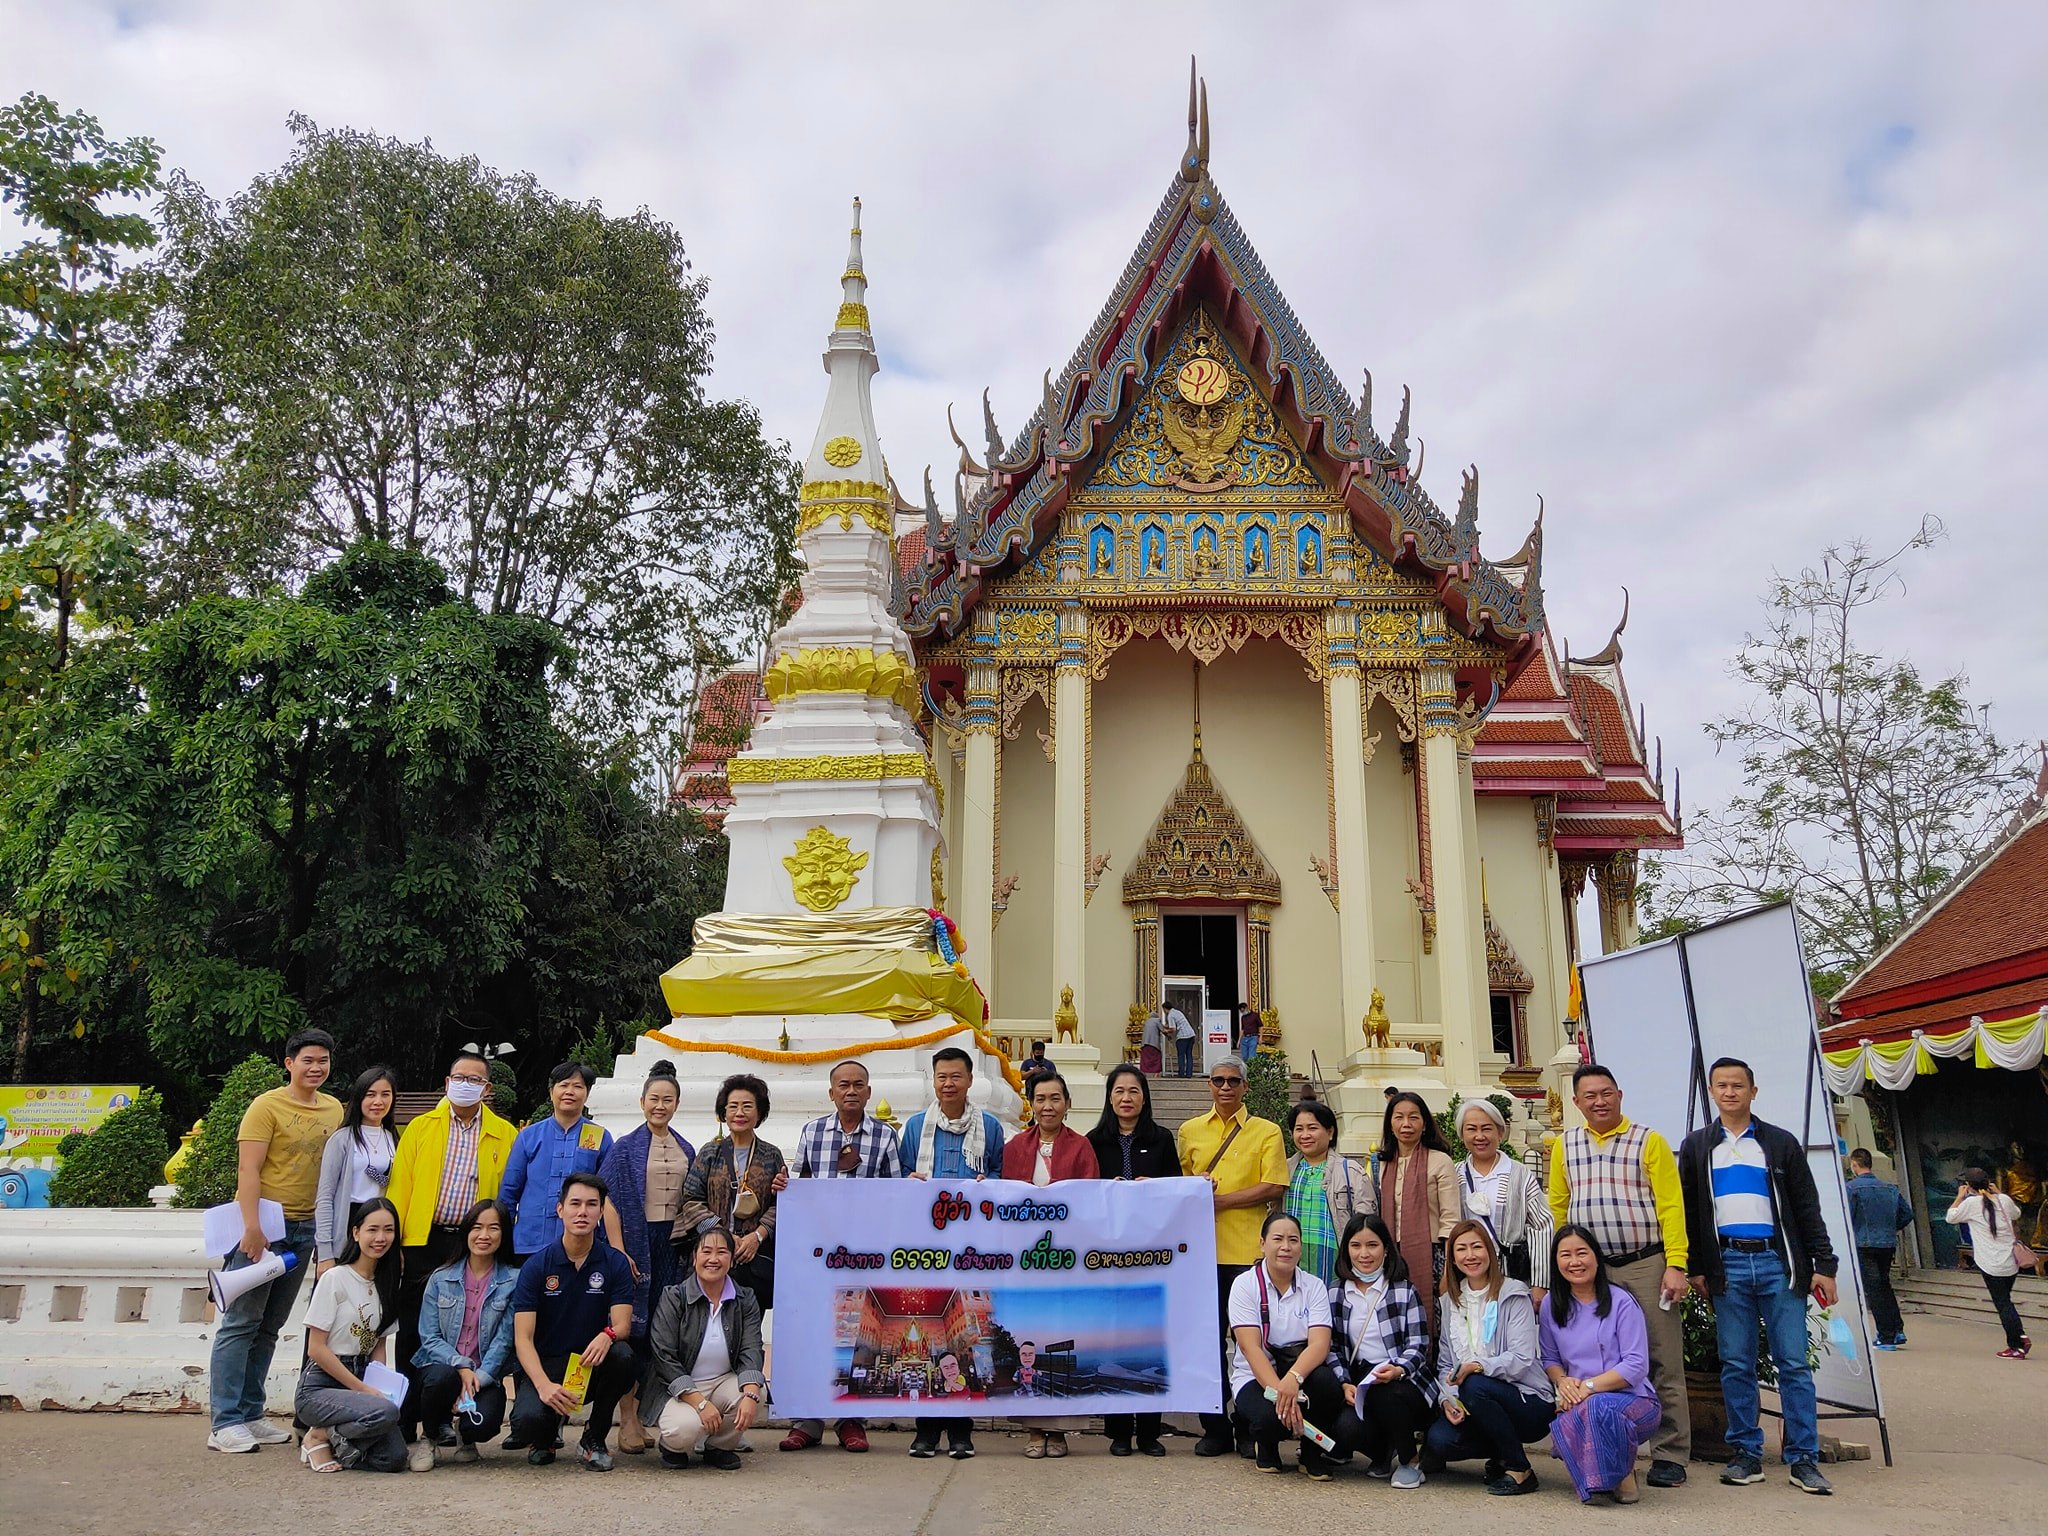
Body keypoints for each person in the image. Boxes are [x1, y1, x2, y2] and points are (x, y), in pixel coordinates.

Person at [1677, 1057, 1840, 1494]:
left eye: (1738, 1085)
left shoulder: (1779, 1143)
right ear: (1711, 1092)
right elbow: (1690, 1213)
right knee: (1736, 1362)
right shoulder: (1696, 1147)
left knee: (1793, 1363)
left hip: (1778, 1264)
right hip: (1727, 1266)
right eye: (1721, 1085)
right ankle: (1746, 1452)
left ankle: (1803, 1457)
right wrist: (1695, 1267)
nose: (1729, 1092)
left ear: (1753, 1090)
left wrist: (1824, 1267)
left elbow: (1807, 1209)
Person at [1545, 1062, 1691, 1486]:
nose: (1599, 1101)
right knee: (1593, 1353)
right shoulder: (1564, 1145)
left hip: (1646, 1262)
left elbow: (1670, 1205)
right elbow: (1559, 1206)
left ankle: (1670, 1453)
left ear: (1620, 1094)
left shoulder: (1649, 1141)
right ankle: (1601, 1440)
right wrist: (1566, 1260)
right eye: (1589, 1096)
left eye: (1606, 1093)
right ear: (1576, 1103)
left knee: (1661, 1357)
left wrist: (1676, 1263)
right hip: (1591, 1269)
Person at [207, 1028, 343, 1454]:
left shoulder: (334, 1108)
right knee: (240, 1323)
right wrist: (252, 1226)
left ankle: (251, 1412)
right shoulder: (266, 1106)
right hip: (265, 1226)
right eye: (308, 1060)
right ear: (289, 1063)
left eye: (322, 1061)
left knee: (270, 1327)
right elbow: (249, 1170)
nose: (316, 1068)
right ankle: (224, 1422)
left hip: (306, 1229)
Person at [386, 1048, 517, 1442]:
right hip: (422, 1241)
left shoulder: (504, 1134)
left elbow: (506, 1197)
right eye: (459, 1078)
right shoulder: (420, 1128)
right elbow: (400, 1188)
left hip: (472, 1243)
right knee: (413, 1334)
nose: (465, 1085)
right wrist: (398, 1247)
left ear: (487, 1088)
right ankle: (406, 1419)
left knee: (470, 1328)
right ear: (446, 1083)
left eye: (475, 1080)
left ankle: (443, 1420)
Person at [783, 1059, 902, 1454]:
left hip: (865, 1254)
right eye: (843, 1085)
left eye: (858, 1085)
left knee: (857, 1334)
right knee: (815, 1330)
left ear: (869, 1092)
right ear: (831, 1092)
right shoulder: (812, 1132)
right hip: (818, 1252)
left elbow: (896, 1195)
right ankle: (807, 1418)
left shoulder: (885, 1137)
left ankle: (852, 1418)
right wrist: (785, 1185)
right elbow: (798, 1186)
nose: (851, 1091)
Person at [1177, 1054, 1288, 1458]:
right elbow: (1181, 1187)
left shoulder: (1266, 1131)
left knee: (1249, 1342)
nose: (1225, 1088)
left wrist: (1219, 1201)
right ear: (1209, 1085)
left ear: (1244, 1087)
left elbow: (1273, 1186)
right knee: (1207, 1341)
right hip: (1201, 1253)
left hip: (1246, 1252)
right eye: (1218, 1080)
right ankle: (1215, 1424)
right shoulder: (1190, 1131)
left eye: (1232, 1081)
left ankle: (1249, 1422)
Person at [902, 1047, 1007, 1459]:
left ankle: (962, 1432)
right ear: (934, 1081)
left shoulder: (992, 1127)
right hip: (924, 1246)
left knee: (964, 1343)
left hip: (971, 1247)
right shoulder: (914, 1128)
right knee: (928, 1335)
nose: (948, 1083)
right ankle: (925, 1432)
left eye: (956, 1076)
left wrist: (987, 1181)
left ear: (969, 1080)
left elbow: (1000, 1174)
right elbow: (902, 1177)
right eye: (941, 1076)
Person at [598, 1061, 697, 1454]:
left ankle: (645, 1412)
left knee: (662, 1332)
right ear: (641, 1102)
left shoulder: (686, 1146)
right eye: (654, 1098)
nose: (660, 1105)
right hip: (636, 1244)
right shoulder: (625, 1148)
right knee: (632, 1332)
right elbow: (609, 1201)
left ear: (676, 1105)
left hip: (671, 1246)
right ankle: (627, 1420)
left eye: (667, 1100)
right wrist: (620, 1251)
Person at [508, 1172, 636, 1470]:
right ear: (560, 1209)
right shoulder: (536, 1266)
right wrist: (542, 1385)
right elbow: (522, 1339)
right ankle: (546, 1436)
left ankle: (594, 1437)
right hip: (547, 1365)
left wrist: (608, 1334)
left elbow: (623, 1325)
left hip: (590, 1363)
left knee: (624, 1357)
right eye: (575, 1203)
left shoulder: (614, 1263)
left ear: (601, 1212)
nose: (583, 1212)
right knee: (527, 1422)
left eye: (592, 1205)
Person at [1002, 1072, 1099, 1458]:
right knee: (1029, 1337)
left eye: (1055, 1098)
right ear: (1031, 1104)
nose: (1048, 1106)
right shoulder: (1015, 1147)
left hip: (1067, 1261)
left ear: (1068, 1103)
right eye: (1040, 1099)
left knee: (1061, 1340)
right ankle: (1033, 1430)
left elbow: (1091, 1200)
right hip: (1025, 1261)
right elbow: (1004, 1200)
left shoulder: (1082, 1147)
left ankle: (1059, 1431)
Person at [1087, 1062, 1180, 1456]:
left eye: (1134, 1091)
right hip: (1106, 1256)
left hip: (1151, 1254)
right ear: (1110, 1097)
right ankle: (1120, 1433)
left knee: (1149, 1339)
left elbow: (1177, 1189)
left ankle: (1149, 1432)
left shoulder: (1161, 1139)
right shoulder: (1094, 1140)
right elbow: (1083, 1193)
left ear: (1145, 1097)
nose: (1126, 1098)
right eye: (1119, 1091)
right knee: (1113, 1341)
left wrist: (1153, 1189)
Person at [1425, 1219, 1554, 1496]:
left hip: (1527, 1399)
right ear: (1453, 1258)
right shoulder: (1450, 1301)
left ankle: (1520, 1469)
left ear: (1491, 1251)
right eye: (1461, 1249)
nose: (1470, 1256)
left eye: (1477, 1247)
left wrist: (1478, 1366)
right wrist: (1447, 1399)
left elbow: (1521, 1359)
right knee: (1440, 1440)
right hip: (1474, 1401)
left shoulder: (1514, 1293)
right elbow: (1446, 1363)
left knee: (1474, 1384)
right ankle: (1502, 1453)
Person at [1540, 1225, 1661, 1503]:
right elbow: (1549, 1359)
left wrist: (1589, 1387)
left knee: (1596, 1406)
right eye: (1565, 1255)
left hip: (1635, 1402)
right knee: (1576, 1417)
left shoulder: (1621, 1302)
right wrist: (1563, 1381)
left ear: (1596, 1257)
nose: (1574, 1262)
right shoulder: (1550, 1304)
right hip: (1578, 1401)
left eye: (1582, 1253)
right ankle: (1613, 1473)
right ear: (1556, 1262)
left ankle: (1610, 1478)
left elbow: (1636, 1365)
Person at [1227, 1211, 1344, 1479]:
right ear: (1262, 1243)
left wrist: (1293, 1379)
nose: (1286, 1247)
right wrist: (1281, 1395)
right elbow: (1250, 1348)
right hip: (1256, 1376)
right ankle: (1266, 1446)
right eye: (1278, 1239)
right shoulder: (1244, 1286)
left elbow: (1319, 1344)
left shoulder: (1313, 1286)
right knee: (1269, 1421)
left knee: (1327, 1386)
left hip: (1299, 1370)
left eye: (1293, 1240)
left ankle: (1312, 1453)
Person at [295, 1196, 406, 1473]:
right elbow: (316, 1349)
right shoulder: (335, 1278)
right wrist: (364, 1390)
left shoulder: (388, 1283)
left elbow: (379, 1345)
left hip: (361, 1376)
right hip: (321, 1386)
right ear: (356, 1233)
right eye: (372, 1229)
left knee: (394, 1458)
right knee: (386, 1412)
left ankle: (329, 1439)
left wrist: (381, 1385)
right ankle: (317, 1436)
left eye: (388, 1230)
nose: (381, 1237)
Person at [642, 1225, 766, 1471]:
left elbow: (751, 1349)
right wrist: (700, 1403)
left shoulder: (745, 1299)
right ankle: (672, 1446)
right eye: (706, 1251)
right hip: (676, 1389)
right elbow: (663, 1356)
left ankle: (719, 1447)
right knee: (685, 1428)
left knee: (755, 1393)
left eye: (721, 1252)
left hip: (722, 1382)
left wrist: (751, 1394)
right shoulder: (674, 1297)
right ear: (695, 1257)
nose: (713, 1259)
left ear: (731, 1259)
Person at [1327, 1213, 1435, 1487]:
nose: (1364, 1254)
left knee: (1386, 1394)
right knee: (1345, 1427)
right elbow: (1333, 1347)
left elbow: (1419, 1344)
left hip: (1403, 1381)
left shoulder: (1403, 1290)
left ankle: (1410, 1461)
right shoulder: (1336, 1292)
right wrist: (1343, 1382)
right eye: (1356, 1245)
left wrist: (1398, 1368)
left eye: (1372, 1245)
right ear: (1346, 1250)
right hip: (1359, 1381)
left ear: (1386, 1249)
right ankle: (1383, 1452)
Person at [412, 1198, 518, 1467]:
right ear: (466, 1232)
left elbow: (504, 1340)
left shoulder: (513, 1281)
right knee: (440, 1378)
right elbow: (429, 1337)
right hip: (443, 1368)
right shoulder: (440, 1278)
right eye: (477, 1227)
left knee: (485, 1425)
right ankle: (430, 1436)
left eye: (493, 1228)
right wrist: (461, 1366)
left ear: (503, 1234)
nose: (484, 1235)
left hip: (485, 1374)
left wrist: (477, 1379)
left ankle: (466, 1436)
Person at [677, 1073, 785, 1311]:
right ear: (723, 1113)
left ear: (759, 1113)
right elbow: (691, 1199)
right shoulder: (709, 1152)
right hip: (714, 1253)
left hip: (754, 1255)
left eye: (748, 1106)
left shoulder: (771, 1155)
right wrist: (721, 1234)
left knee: (750, 1320)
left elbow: (782, 1203)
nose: (740, 1113)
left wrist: (757, 1236)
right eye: (733, 1106)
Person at [500, 1063, 614, 1265]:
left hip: (581, 1246)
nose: (570, 1092)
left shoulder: (599, 1136)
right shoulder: (529, 1136)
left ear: (587, 1094)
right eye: (564, 1085)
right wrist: (503, 1239)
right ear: (552, 1091)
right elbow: (509, 1191)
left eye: (578, 1086)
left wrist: (605, 1240)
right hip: (530, 1243)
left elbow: (609, 1194)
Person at [1377, 1091, 1460, 1330]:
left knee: (1432, 1319)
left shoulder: (1440, 1161)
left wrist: (1447, 1271)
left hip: (1432, 1255)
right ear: (1389, 1124)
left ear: (1424, 1124)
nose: (1406, 1124)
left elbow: (1450, 1220)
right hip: (1390, 1255)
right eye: (1399, 1117)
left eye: (1414, 1117)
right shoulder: (1379, 1164)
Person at [1454, 1098, 1551, 1295]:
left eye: (1486, 1129)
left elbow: (1541, 1227)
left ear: (1500, 1132)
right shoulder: (1455, 1175)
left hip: (1513, 1275)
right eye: (1471, 1129)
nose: (1479, 1136)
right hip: (1468, 1276)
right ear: (1462, 1135)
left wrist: (1540, 1283)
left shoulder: (1520, 1174)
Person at [1285, 1099, 1376, 1287]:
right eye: (1299, 1129)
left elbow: (1366, 1222)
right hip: (1291, 1264)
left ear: (1330, 1131)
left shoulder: (1350, 1171)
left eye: (1312, 1128)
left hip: (1335, 1264)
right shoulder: (1283, 1170)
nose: (1305, 1135)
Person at [314, 1066, 397, 1273]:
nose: (378, 1102)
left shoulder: (393, 1139)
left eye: (385, 1094)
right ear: (359, 1098)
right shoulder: (342, 1139)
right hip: (348, 1224)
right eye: (370, 1095)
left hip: (380, 1227)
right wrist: (325, 1252)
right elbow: (325, 1197)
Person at [1947, 1167, 2031, 1358]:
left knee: (2003, 1304)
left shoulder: (1971, 1204)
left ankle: (2018, 1343)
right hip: (2011, 1262)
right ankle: (2018, 1338)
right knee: (2005, 1301)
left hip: (1990, 1264)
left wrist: (1960, 1197)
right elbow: (2016, 1213)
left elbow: (1950, 1217)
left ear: (1968, 1186)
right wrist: (2000, 1194)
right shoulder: (2003, 1200)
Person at [1845, 1148, 1915, 1349]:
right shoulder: (1889, 1188)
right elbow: (1906, 1214)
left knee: (1874, 1289)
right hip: (1887, 1242)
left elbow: (1847, 1216)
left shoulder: (1851, 1189)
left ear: (1854, 1164)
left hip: (1863, 1243)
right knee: (1884, 1285)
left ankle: (1885, 1336)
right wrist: (1891, 1227)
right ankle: (1897, 1329)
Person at [1169, 1001, 1197, 1078]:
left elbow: (1173, 1029)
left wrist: (1165, 1031)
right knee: (1189, 1055)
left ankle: (1181, 1073)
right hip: (1191, 1034)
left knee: (1181, 1055)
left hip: (1182, 1036)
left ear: (1165, 1009)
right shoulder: (1178, 1012)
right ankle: (1189, 1074)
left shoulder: (1170, 1015)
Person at [1139, 1008, 1165, 1076]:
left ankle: (1144, 1073)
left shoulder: (1146, 1022)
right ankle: (1156, 1073)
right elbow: (1163, 1030)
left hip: (1144, 1043)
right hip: (1154, 1044)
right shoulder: (1157, 1021)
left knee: (1145, 1059)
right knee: (1156, 1058)